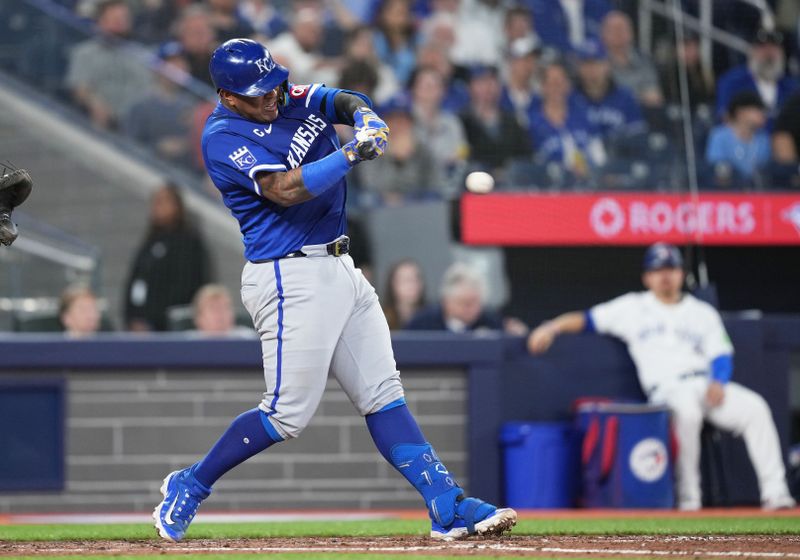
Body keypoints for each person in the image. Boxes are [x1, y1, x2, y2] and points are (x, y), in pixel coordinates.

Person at [152, 37, 516, 543]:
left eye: (273, 86)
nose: (272, 98)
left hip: (341, 266)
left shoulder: (282, 95)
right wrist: (350, 153)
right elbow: (284, 189)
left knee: (384, 395)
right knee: (285, 414)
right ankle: (189, 484)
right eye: (259, 94)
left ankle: (446, 505)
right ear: (228, 95)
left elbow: (337, 99)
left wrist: (365, 117)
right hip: (287, 273)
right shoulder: (221, 134)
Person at [527, 242, 796, 511]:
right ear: (647, 277)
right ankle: (689, 500)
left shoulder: (701, 312)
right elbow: (587, 319)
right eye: (658, 270)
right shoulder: (632, 308)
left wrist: (719, 380)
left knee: (755, 408)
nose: (665, 275)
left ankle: (776, 493)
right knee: (687, 412)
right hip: (669, 390)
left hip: (706, 384)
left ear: (681, 273)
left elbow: (721, 353)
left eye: (671, 268)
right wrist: (551, 327)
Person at [123, 183, 212, 332]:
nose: (158, 207)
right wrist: (133, 317)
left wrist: (157, 317)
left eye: (164, 201)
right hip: (143, 327)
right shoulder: (150, 241)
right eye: (155, 202)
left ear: (177, 206)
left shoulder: (189, 241)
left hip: (172, 326)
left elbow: (189, 285)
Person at [65, 0, 153, 129]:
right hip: (91, 121)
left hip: (131, 126)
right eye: (114, 20)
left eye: (123, 20)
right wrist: (95, 104)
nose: (119, 24)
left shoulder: (140, 56)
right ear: (100, 23)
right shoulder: (85, 52)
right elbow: (79, 88)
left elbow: (147, 94)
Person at [527, 61, 606, 182]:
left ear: (568, 85)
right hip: (548, 188)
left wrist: (595, 171)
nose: (556, 88)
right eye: (552, 83)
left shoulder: (584, 116)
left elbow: (599, 155)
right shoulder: (531, 122)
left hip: (588, 184)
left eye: (560, 82)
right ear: (543, 86)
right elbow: (533, 163)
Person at [124, 42, 197, 167]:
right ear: (158, 67)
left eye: (182, 63)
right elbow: (127, 142)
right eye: (172, 62)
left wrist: (185, 144)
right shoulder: (141, 101)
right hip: (142, 166)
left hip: (181, 173)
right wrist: (157, 148)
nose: (179, 67)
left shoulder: (192, 106)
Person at [405, 262, 524, 334]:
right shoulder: (422, 323)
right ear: (446, 301)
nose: (470, 308)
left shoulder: (492, 322)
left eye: (475, 302)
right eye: (464, 302)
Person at [459, 66, 531, 180]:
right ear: (470, 87)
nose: (488, 87)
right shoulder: (461, 121)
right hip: (474, 185)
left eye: (492, 81)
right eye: (481, 81)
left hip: (510, 187)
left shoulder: (512, 121)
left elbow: (525, 157)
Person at [715, 28, 798, 124]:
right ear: (752, 51)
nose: (768, 54)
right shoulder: (732, 82)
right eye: (763, 48)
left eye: (774, 48)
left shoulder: (792, 88)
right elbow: (724, 119)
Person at [572, 39, 646, 141]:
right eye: (586, 64)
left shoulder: (625, 97)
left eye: (597, 63)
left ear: (607, 65)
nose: (592, 70)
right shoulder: (570, 98)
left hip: (620, 154)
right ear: (578, 68)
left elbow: (637, 137)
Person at [600, 10, 664, 108]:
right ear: (603, 34)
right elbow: (603, 95)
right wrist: (640, 97)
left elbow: (654, 95)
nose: (619, 34)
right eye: (614, 29)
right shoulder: (598, 63)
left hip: (644, 113)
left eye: (622, 29)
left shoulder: (644, 60)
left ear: (631, 33)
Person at [706, 92, 771, 182]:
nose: (763, 114)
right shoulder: (720, 136)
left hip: (757, 192)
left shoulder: (763, 139)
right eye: (758, 110)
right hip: (728, 190)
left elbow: (766, 169)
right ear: (741, 113)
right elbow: (716, 166)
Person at [383, 259, 426, 330]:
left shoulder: (432, 319)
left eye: (416, 279)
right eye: (406, 280)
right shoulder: (381, 319)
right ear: (392, 284)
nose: (412, 285)